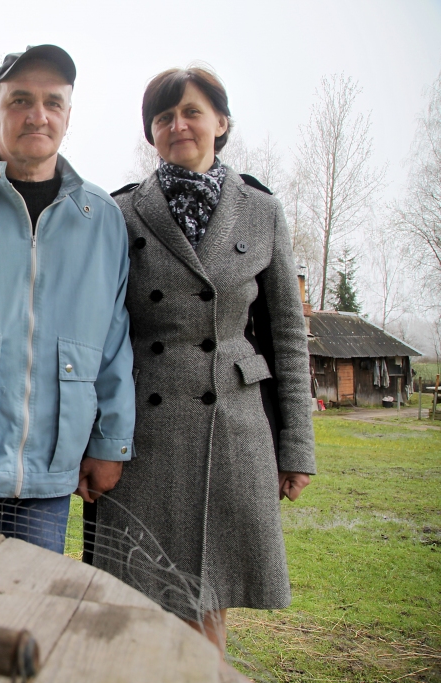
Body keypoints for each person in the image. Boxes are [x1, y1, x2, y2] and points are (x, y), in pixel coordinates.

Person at [83, 66, 316, 654]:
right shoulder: (122, 211)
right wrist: (95, 441)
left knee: (208, 600)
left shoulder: (261, 212)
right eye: (163, 117)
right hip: (143, 435)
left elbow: (286, 334)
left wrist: (297, 447)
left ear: (221, 122)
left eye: (191, 111)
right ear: (151, 134)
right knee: (135, 603)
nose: (178, 124)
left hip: (234, 429)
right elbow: (99, 335)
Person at [0, 45, 134, 554]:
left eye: (53, 102)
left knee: (22, 617)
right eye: (20, 100)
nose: (37, 115)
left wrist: (109, 444)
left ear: (68, 115)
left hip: (47, 473)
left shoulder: (103, 219)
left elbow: (113, 340)